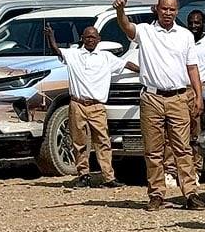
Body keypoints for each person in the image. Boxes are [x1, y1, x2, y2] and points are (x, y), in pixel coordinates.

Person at [114, 0, 205, 211]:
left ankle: (190, 193)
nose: (168, 13)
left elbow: (192, 68)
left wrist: (198, 96)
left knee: (182, 148)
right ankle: (156, 194)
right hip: (152, 98)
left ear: (177, 11)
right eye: (164, 9)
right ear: (157, 9)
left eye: (172, 9)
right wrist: (120, 11)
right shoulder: (145, 32)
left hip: (178, 98)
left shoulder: (184, 35)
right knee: (153, 150)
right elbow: (127, 28)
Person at [44, 24, 139, 188]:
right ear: (82, 38)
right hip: (77, 104)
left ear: (99, 40)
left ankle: (108, 177)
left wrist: (145, 71)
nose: (90, 40)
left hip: (97, 107)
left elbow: (126, 64)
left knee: (103, 142)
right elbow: (56, 51)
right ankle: (83, 175)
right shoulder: (73, 54)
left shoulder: (106, 57)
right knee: (78, 142)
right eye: (87, 37)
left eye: (93, 37)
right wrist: (50, 36)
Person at [163, 9, 205, 185]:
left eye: (197, 22)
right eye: (191, 22)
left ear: (203, 23)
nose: (193, 26)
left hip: (200, 88)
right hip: (180, 88)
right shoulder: (181, 39)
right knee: (173, 131)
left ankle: (196, 169)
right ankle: (171, 170)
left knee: (197, 132)